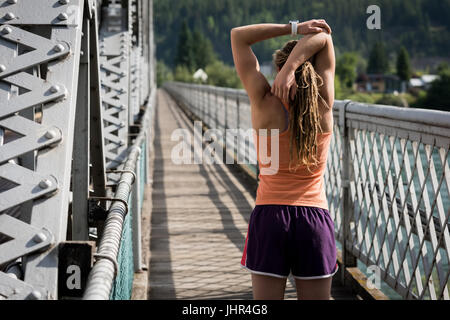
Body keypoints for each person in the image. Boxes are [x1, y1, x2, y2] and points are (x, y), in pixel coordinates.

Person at [230, 19, 337, 300]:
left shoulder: (263, 101)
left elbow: (239, 36)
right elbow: (324, 37)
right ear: (315, 73)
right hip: (314, 219)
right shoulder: (324, 106)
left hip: (270, 217)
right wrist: (293, 68)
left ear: (277, 70)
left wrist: (294, 28)